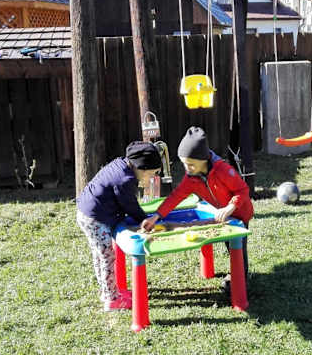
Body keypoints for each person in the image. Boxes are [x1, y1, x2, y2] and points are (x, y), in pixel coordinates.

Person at [143, 127, 253, 290]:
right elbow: (175, 197)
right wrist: (157, 216)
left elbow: (242, 190)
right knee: (229, 243)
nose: (187, 168)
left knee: (237, 245)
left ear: (204, 159)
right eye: (184, 164)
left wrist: (230, 207)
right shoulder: (191, 178)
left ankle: (240, 279)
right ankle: (237, 272)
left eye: (191, 164)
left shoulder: (223, 170)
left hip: (239, 212)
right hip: (222, 215)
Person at [76, 141, 162, 311]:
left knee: (99, 255)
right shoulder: (125, 180)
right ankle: (112, 300)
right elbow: (129, 205)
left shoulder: (120, 164)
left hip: (85, 213)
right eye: (151, 174)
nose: (151, 178)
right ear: (141, 168)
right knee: (107, 257)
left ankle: (107, 291)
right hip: (95, 219)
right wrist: (143, 220)